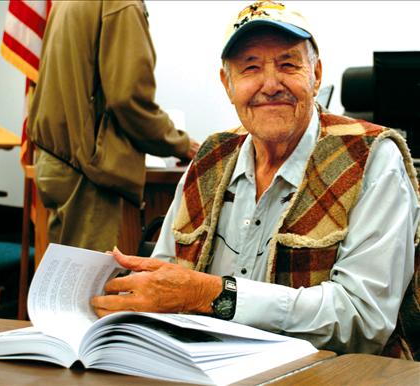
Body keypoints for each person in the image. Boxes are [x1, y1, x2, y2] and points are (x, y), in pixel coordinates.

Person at [91, 1, 420, 360]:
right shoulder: (209, 159)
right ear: (228, 84)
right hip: (204, 368)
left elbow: (363, 319)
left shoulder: (372, 157)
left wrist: (214, 295)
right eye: (250, 68)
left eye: (288, 64)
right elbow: (167, 276)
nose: (270, 84)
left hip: (328, 375)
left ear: (316, 74)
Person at [27, 1, 199, 252]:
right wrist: (180, 143)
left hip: (57, 159)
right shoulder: (121, 3)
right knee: (89, 284)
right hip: (86, 169)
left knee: (66, 279)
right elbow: (129, 99)